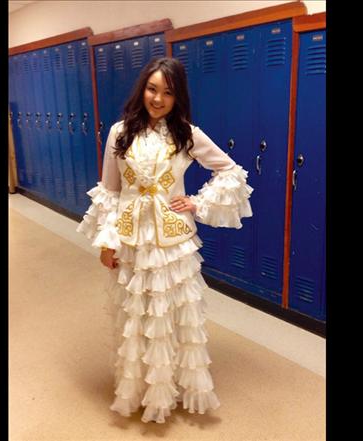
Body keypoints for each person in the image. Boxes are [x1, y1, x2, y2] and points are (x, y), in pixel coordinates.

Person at [77, 57, 253, 424]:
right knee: (136, 315)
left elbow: (230, 172)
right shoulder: (118, 132)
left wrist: (197, 202)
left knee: (172, 317)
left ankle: (172, 387)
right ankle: (142, 389)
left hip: (173, 243)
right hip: (131, 239)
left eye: (167, 92)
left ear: (177, 97)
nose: (157, 99)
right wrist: (107, 242)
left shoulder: (186, 134)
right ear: (142, 88)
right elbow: (110, 191)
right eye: (152, 88)